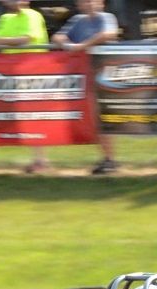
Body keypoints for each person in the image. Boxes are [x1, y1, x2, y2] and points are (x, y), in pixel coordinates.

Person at [0, 0, 48, 174]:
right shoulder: (5, 18)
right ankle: (38, 159)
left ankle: (40, 160)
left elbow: (26, 39)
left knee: (34, 114)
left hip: (33, 72)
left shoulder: (33, 15)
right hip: (11, 73)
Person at [53, 0, 121, 175]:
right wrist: (69, 46)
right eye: (84, 1)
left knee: (106, 117)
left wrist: (81, 46)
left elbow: (108, 34)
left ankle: (110, 159)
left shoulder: (107, 17)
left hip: (109, 74)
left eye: (92, 1)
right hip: (89, 74)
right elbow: (57, 37)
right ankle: (108, 159)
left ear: (101, 3)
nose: (89, 4)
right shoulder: (77, 20)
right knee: (98, 118)